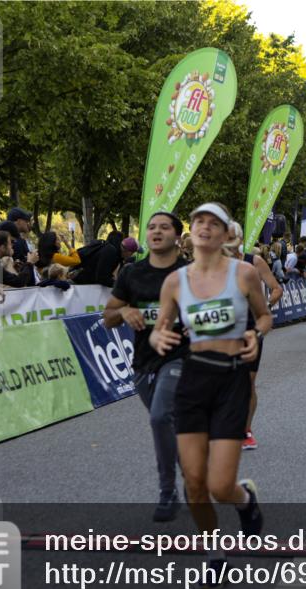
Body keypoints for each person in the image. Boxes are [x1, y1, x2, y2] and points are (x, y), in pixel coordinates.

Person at [149, 202, 272, 584]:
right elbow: (160, 327)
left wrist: (257, 332)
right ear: (192, 232)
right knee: (195, 482)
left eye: (213, 223)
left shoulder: (244, 273)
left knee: (220, 485)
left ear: (224, 234)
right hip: (193, 379)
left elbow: (265, 314)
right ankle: (214, 553)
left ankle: (245, 500)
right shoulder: (175, 282)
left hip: (231, 379)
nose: (204, 227)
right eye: (198, 221)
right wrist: (159, 335)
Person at [104, 212, 189, 522]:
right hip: (143, 363)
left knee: (159, 417)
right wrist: (125, 311)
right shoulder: (131, 273)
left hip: (182, 357)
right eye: (151, 227)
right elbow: (107, 317)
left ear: (178, 236)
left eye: (164, 227)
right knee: (171, 426)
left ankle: (168, 491)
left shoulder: (190, 273)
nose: (156, 231)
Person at [223, 221, 283, 451]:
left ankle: (246, 430)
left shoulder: (253, 262)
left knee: (247, 383)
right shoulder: (211, 263)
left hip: (249, 327)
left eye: (230, 237)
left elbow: (277, 288)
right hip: (220, 330)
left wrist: (263, 306)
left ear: (239, 239)